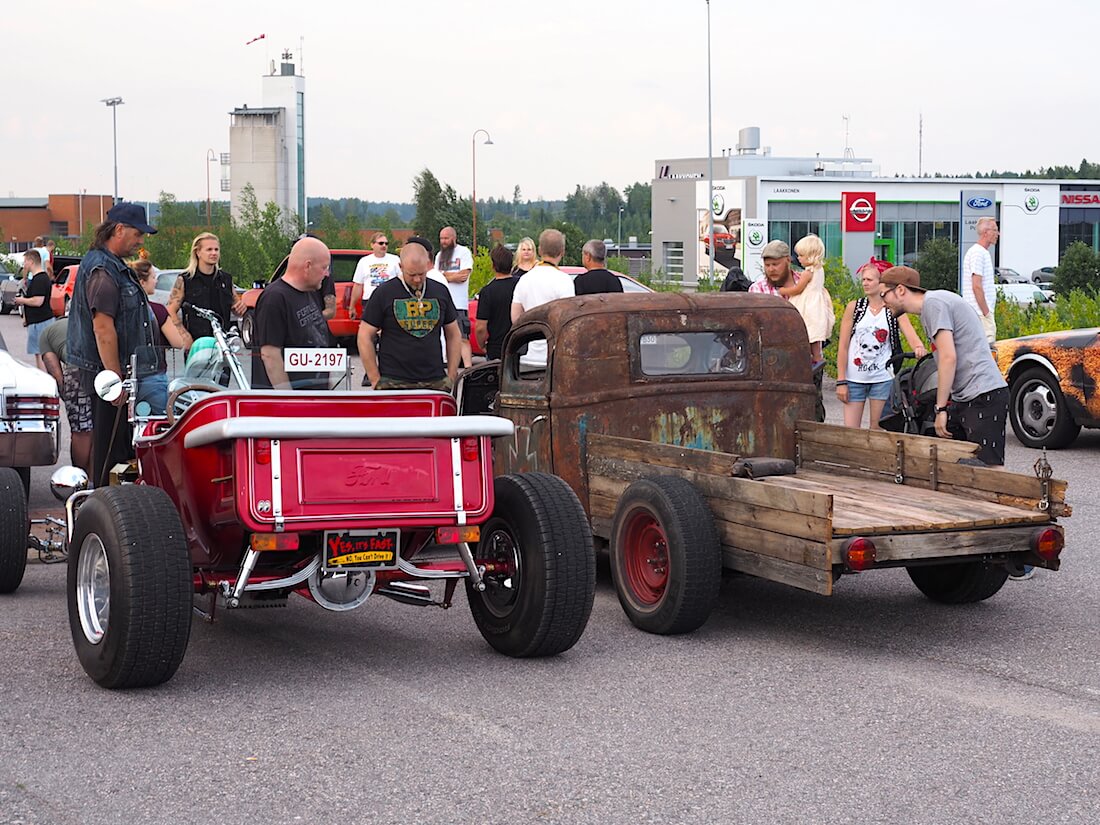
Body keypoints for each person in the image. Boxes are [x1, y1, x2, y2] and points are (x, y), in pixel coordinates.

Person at [66, 202, 159, 486]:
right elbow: (103, 329)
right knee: (112, 457)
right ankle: (108, 516)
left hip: (113, 375)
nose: (140, 241)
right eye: (137, 233)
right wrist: (114, 381)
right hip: (106, 377)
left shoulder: (111, 266)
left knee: (120, 453)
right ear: (119, 229)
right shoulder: (103, 270)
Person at [879, 265, 1009, 465]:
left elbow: (948, 357)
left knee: (988, 469)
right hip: (967, 395)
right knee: (955, 463)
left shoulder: (934, 304)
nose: (883, 302)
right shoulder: (931, 307)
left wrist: (940, 409)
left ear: (901, 290)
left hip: (983, 394)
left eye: (884, 295)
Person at [836, 262, 926, 429]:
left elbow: (910, 333)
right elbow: (843, 346)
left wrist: (918, 347)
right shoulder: (855, 307)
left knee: (878, 429)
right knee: (850, 430)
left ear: (881, 282)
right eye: (863, 279)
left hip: (882, 377)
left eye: (869, 279)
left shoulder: (892, 309)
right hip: (854, 378)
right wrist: (841, 380)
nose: (865, 283)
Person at [359, 242, 461, 390]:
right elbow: (364, 335)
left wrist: (451, 376)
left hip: (435, 380)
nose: (417, 280)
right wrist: (375, 379)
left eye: (421, 274)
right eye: (412, 275)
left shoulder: (440, 291)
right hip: (393, 380)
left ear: (428, 264)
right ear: (401, 267)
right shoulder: (384, 292)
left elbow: (453, 334)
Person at [252, 237, 336, 390]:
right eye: (324, 267)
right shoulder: (274, 298)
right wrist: (289, 400)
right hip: (286, 404)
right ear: (308, 266)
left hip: (313, 398)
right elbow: (270, 355)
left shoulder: (310, 291)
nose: (327, 274)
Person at [511, 229, 575, 368]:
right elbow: (568, 321)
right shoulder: (564, 281)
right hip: (555, 356)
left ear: (539, 250)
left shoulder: (524, 279)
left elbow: (515, 318)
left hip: (528, 356)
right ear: (562, 251)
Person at [134, 260, 191, 414]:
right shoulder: (158, 310)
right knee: (159, 422)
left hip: (126, 376)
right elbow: (178, 343)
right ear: (142, 282)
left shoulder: (121, 310)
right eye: (153, 277)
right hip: (153, 377)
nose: (156, 280)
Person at [167, 232, 246, 343]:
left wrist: (240, 308)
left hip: (223, 343)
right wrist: (184, 335)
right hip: (197, 343)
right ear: (198, 252)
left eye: (216, 249)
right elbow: (170, 310)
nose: (214, 253)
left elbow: (236, 307)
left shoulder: (226, 279)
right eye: (209, 249)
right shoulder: (185, 280)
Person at [38, 316, 93, 475]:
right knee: (99, 427)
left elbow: (56, 374)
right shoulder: (83, 321)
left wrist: (68, 398)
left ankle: (79, 479)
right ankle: (97, 479)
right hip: (103, 364)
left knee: (82, 430)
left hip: (77, 367)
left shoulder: (46, 334)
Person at [781, 234, 834, 365]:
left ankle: (809, 358)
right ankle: (817, 357)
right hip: (818, 303)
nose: (798, 258)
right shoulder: (819, 269)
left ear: (811, 256)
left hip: (808, 304)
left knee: (807, 330)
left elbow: (797, 289)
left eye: (801, 255)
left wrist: (783, 291)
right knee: (815, 336)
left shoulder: (807, 273)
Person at [435, 226, 474, 368]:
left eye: (446, 238)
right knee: (441, 337)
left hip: (458, 304)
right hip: (441, 303)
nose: (443, 241)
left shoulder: (464, 252)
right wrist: (451, 276)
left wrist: (444, 275)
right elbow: (435, 277)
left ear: (454, 238)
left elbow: (463, 276)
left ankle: (469, 368)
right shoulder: (439, 256)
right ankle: (445, 365)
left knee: (462, 337)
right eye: (441, 238)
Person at [476, 246, 519, 361]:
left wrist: (482, 345)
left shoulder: (487, 291)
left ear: (493, 265)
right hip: (520, 345)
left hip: (496, 348)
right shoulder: (521, 284)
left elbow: (480, 327)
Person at [962, 217, 999, 345]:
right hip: (980, 314)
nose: (997, 234)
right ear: (985, 232)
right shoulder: (978, 253)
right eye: (995, 230)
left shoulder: (981, 252)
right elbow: (976, 286)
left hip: (979, 313)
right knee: (986, 353)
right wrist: (986, 313)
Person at [15, 249, 54, 370]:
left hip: (41, 322)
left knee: (43, 354)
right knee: (38, 353)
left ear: (31, 261)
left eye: (25, 261)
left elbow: (38, 301)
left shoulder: (40, 279)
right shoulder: (37, 279)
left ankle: (45, 379)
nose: (24, 264)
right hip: (35, 322)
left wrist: (21, 300)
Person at [349, 232, 401, 319]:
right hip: (370, 300)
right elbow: (358, 285)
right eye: (381, 243)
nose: (384, 245)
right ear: (372, 245)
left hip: (390, 300)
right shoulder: (364, 261)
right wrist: (352, 306)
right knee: (370, 327)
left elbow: (402, 280)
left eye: (386, 243)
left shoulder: (395, 260)